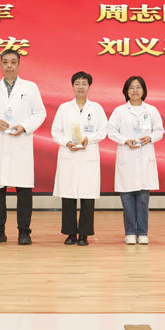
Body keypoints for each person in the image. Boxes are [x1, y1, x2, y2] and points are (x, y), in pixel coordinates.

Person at [0, 50, 46, 245]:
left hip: (20, 143)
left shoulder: (30, 88)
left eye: (13, 62)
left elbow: (40, 113)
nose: (9, 65)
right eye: (5, 62)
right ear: (0, 64)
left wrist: (24, 126)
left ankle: (24, 232)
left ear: (18, 65)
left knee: (24, 191)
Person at [51, 71, 108, 246]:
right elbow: (55, 132)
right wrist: (66, 142)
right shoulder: (64, 108)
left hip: (88, 154)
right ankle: (70, 233)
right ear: (72, 86)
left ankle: (84, 234)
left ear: (89, 86)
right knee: (68, 196)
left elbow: (103, 131)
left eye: (84, 83)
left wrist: (88, 139)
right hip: (69, 154)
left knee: (87, 196)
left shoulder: (96, 108)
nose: (80, 87)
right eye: (77, 83)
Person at [107, 76, 164, 245]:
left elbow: (160, 130)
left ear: (144, 90)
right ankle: (130, 232)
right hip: (127, 156)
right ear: (126, 91)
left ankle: (143, 232)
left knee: (143, 198)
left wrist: (151, 137)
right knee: (127, 198)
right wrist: (125, 140)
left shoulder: (151, 110)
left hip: (145, 156)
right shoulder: (120, 111)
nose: (135, 91)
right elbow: (111, 131)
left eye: (138, 87)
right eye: (131, 87)